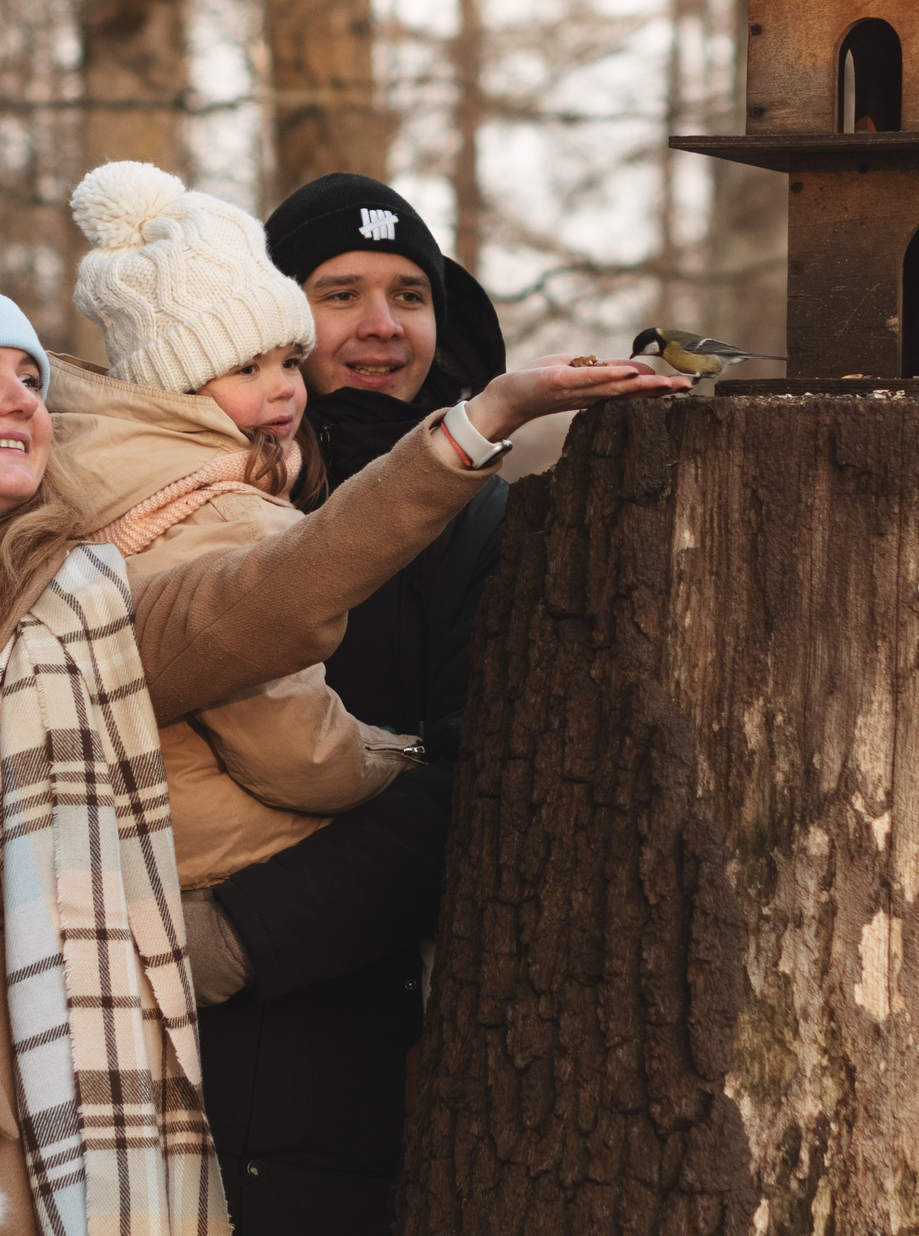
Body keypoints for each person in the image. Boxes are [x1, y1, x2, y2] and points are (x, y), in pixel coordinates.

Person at [0, 264, 681, 1236]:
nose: (23, 399)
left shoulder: (80, 602)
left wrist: (474, 427)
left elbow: (277, 591)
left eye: (34, 376)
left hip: (23, 1118)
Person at [192, 173, 523, 1235]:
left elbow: (475, 784)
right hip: (126, 1009)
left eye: (409, 296)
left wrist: (234, 935)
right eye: (339, 294)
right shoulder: (192, 494)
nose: (382, 326)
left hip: (348, 1027)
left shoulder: (483, 523)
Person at [44, 162, 417, 989]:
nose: (283, 389)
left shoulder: (115, 466)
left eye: (288, 359)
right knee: (434, 830)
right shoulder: (215, 511)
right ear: (174, 384)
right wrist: (390, 760)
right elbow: (291, 748)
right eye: (246, 370)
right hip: (206, 878)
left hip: (127, 859)